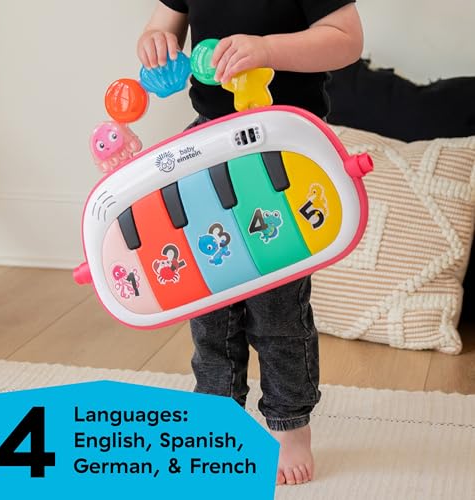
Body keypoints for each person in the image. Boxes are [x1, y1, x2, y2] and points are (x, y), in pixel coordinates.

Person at [138, 0, 363, 486]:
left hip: (283, 146)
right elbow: (160, 26)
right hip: (211, 141)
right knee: (208, 296)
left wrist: (265, 50)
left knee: (277, 307)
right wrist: (156, 43)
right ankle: (217, 412)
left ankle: (288, 422)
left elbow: (347, 40)